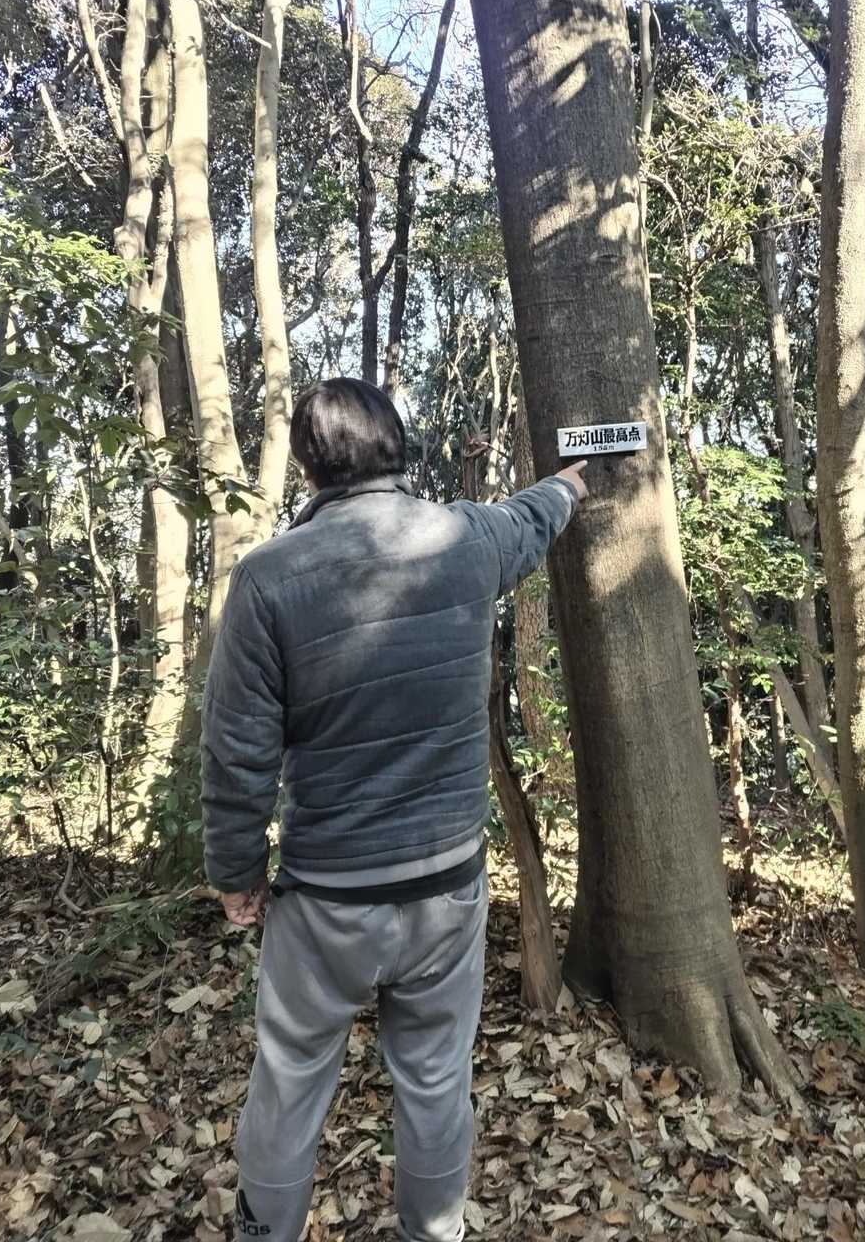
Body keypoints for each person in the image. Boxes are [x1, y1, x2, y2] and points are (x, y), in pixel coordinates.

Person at [200, 377, 587, 1242]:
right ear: (396, 446)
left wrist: (235, 872)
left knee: (290, 1077)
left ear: (309, 465)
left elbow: (237, 751)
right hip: (445, 889)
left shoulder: (267, 578)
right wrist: (573, 483)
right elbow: (532, 518)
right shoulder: (465, 539)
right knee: (437, 1078)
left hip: (327, 900)